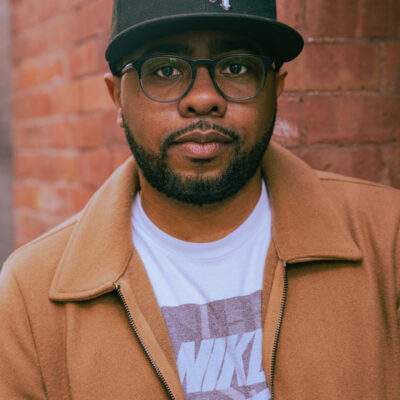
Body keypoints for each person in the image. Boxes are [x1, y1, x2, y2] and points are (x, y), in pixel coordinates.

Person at [1, 0, 399, 399]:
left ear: (276, 89)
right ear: (117, 97)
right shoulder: (30, 293)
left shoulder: (387, 238)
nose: (204, 98)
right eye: (166, 69)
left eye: (237, 67)